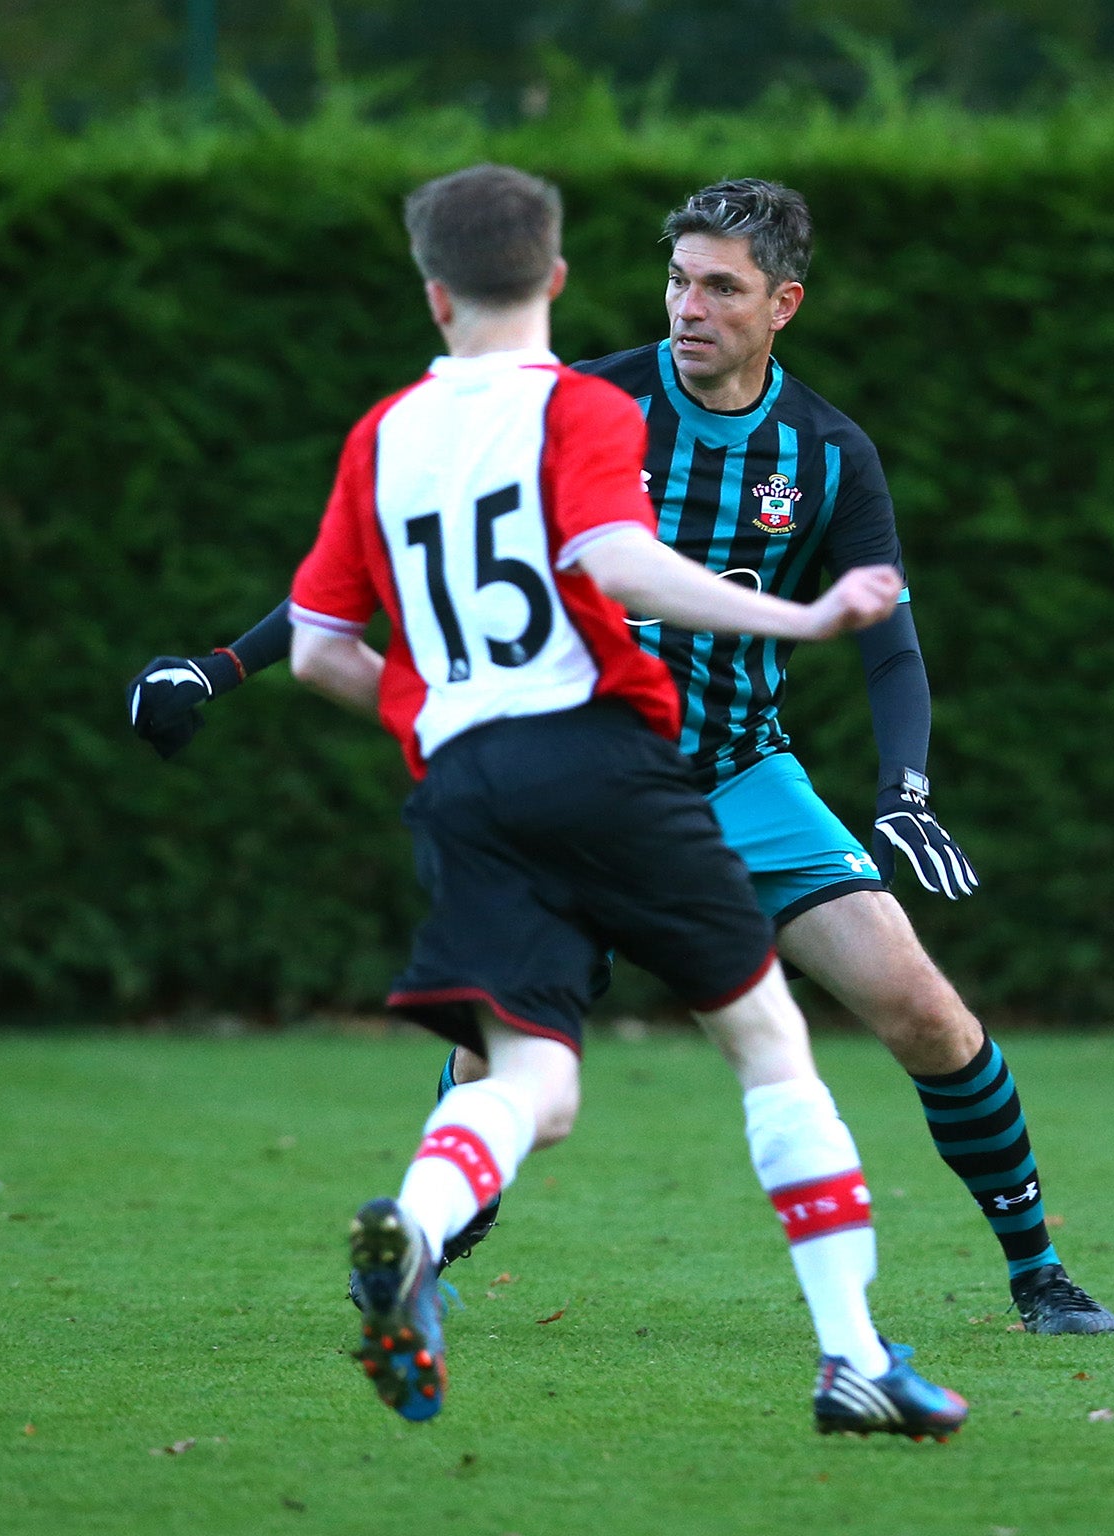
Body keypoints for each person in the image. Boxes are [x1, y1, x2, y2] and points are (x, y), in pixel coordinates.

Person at [128, 177, 1114, 1336]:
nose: (688, 307)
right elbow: (405, 551)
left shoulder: (827, 454)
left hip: (740, 776)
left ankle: (1038, 1273)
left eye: (722, 288)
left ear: (783, 304)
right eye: (677, 280)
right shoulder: (584, 405)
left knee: (922, 1009)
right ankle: (427, 1248)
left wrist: (904, 790)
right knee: (511, 1055)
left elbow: (890, 644)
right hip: (580, 776)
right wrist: (220, 666)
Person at [276, 163, 965, 1436]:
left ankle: (415, 1231)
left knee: (530, 1073)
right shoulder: (580, 407)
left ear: (434, 295)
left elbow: (320, 650)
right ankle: (853, 1357)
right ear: (554, 278)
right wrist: (801, 616)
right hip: (601, 763)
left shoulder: (385, 432)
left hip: (463, 782)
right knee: (767, 1041)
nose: (687, 306)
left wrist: (431, 709)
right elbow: (621, 563)